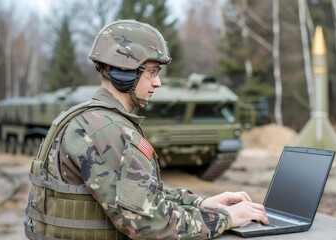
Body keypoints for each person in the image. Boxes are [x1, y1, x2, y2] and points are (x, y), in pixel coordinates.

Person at [24, 19, 268, 240]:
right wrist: (226, 219)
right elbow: (147, 223)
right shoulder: (107, 130)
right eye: (151, 72)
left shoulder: (90, 118)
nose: (158, 82)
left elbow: (139, 194)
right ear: (123, 73)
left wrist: (202, 203)